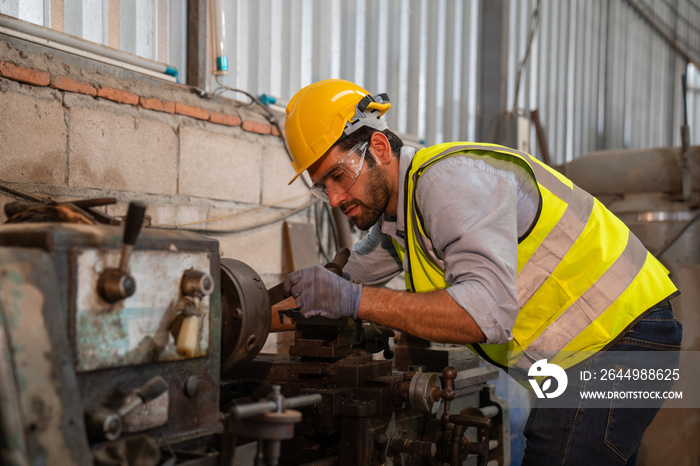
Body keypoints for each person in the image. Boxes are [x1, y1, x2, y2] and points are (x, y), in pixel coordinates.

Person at [282, 79, 682, 465]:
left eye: (339, 174)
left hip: (620, 342)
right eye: (322, 187)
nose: (334, 198)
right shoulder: (397, 220)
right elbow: (333, 288)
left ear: (380, 148)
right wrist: (232, 322)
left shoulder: (445, 182)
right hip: (609, 345)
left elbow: (484, 314)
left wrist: (355, 301)